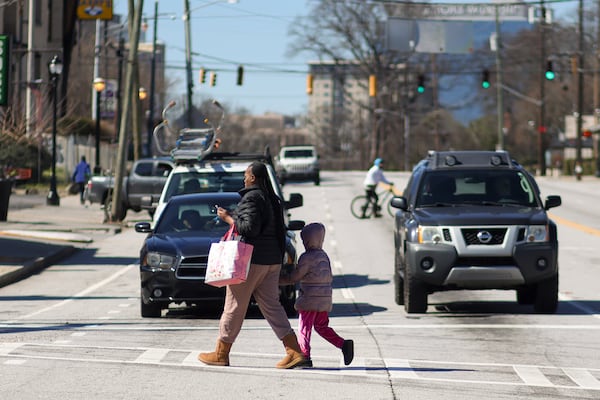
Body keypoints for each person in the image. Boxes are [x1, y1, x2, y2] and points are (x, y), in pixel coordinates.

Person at [198, 161, 310, 369]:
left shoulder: (251, 197)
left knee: (233, 306)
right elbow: (279, 231)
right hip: (271, 261)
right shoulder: (273, 199)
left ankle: (221, 353)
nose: (243, 178)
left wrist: (228, 218)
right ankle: (294, 351)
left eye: (246, 174)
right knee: (272, 306)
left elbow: (248, 228)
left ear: (253, 178)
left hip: (251, 261)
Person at [279, 222, 354, 367]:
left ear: (307, 240)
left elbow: (296, 276)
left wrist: (280, 279)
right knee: (321, 326)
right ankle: (343, 344)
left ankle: (304, 355)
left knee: (304, 327)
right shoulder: (324, 256)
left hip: (309, 299)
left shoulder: (306, 257)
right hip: (324, 300)